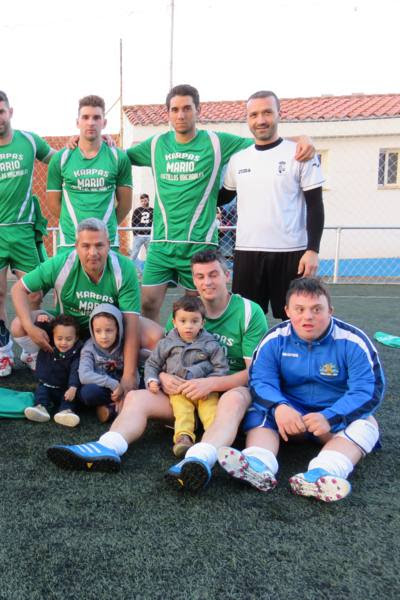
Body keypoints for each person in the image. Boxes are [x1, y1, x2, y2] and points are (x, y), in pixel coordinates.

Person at [47, 248, 268, 493]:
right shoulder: (183, 313)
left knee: (235, 398)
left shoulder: (249, 312)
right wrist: (162, 377)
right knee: (136, 397)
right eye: (200, 276)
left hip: (222, 395)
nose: (207, 282)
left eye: (213, 274)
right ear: (193, 280)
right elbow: (163, 358)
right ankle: (108, 446)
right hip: (182, 394)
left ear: (227, 275)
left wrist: (211, 384)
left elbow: (253, 373)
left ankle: (199, 458)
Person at [125, 84, 315, 322]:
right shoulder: (155, 145)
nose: (181, 115)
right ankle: (153, 356)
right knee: (148, 303)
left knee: (196, 309)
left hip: (199, 243)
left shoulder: (216, 142)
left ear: (198, 110)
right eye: (175, 109)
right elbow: (119, 158)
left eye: (187, 108)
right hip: (162, 243)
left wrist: (300, 139)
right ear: (168, 113)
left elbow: (263, 141)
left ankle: (193, 355)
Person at [218, 278, 384, 502]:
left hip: (331, 420)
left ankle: (322, 473)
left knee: (367, 424)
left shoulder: (353, 341)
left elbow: (368, 390)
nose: (308, 316)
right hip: (289, 418)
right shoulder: (274, 340)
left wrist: (330, 416)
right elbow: (260, 380)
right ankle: (258, 463)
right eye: (300, 309)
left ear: (330, 311)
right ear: (287, 311)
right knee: (259, 411)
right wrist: (280, 407)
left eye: (317, 309)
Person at [10, 218, 161, 399]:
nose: (93, 253)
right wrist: (30, 327)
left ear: (109, 244)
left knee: (156, 336)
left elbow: (130, 323)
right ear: (76, 246)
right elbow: (18, 289)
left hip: (106, 334)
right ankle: (42, 361)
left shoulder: (124, 268)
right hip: (70, 332)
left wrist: (129, 375)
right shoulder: (61, 264)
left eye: (99, 245)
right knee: (19, 325)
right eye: (86, 246)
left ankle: (130, 366)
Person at [0, 89, 55, 378]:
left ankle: (29, 352)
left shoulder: (29, 141)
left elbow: (58, 161)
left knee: (34, 295)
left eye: (1, 112)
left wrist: (78, 144)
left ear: (10, 112)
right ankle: (3, 355)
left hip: (22, 231)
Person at [218, 90, 325, 320]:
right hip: (247, 252)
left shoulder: (299, 153)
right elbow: (223, 197)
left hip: (291, 252)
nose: (261, 120)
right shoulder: (238, 159)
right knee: (246, 319)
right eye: (254, 114)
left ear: (279, 114)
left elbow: (315, 205)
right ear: (247, 119)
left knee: (295, 319)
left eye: (267, 112)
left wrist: (312, 250)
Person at [144, 294, 228, 457]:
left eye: (194, 321)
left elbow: (221, 368)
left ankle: (214, 440)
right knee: (182, 412)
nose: (188, 326)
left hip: (204, 391)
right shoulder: (166, 343)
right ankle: (184, 438)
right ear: (174, 322)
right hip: (178, 390)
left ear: (202, 323)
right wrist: (152, 379)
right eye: (183, 321)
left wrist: (208, 383)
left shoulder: (210, 344)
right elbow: (152, 364)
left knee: (211, 412)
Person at [47, 95, 132, 253]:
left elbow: (125, 204)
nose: (91, 122)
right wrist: (74, 225)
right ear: (77, 122)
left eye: (96, 117)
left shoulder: (118, 157)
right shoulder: (60, 158)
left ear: (104, 122)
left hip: (107, 241)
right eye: (85, 117)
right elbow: (53, 204)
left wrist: (105, 227)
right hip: (70, 242)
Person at [24, 314, 83, 427]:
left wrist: (73, 387)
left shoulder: (77, 353)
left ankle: (66, 412)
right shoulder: (48, 344)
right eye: (59, 338)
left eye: (69, 339)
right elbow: (40, 331)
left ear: (76, 338)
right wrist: (41, 321)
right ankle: (40, 408)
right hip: (47, 385)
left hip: (65, 388)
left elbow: (76, 370)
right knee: (41, 392)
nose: (63, 342)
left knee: (70, 399)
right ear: (53, 336)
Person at [78, 303, 126, 424]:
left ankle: (111, 408)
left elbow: (134, 370)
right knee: (88, 393)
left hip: (124, 386)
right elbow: (84, 375)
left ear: (118, 329)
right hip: (103, 387)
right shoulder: (89, 348)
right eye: (98, 331)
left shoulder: (126, 345)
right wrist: (113, 384)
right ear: (92, 330)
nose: (103, 336)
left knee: (143, 385)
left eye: (109, 330)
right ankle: (116, 407)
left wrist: (125, 389)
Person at [130, 193, 153, 269]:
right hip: (139, 235)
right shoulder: (137, 210)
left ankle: (148, 270)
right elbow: (133, 222)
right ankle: (130, 269)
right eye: (142, 201)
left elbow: (155, 222)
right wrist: (135, 233)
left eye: (145, 200)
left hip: (149, 235)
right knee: (134, 254)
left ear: (148, 200)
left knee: (150, 254)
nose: (144, 202)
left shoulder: (152, 211)